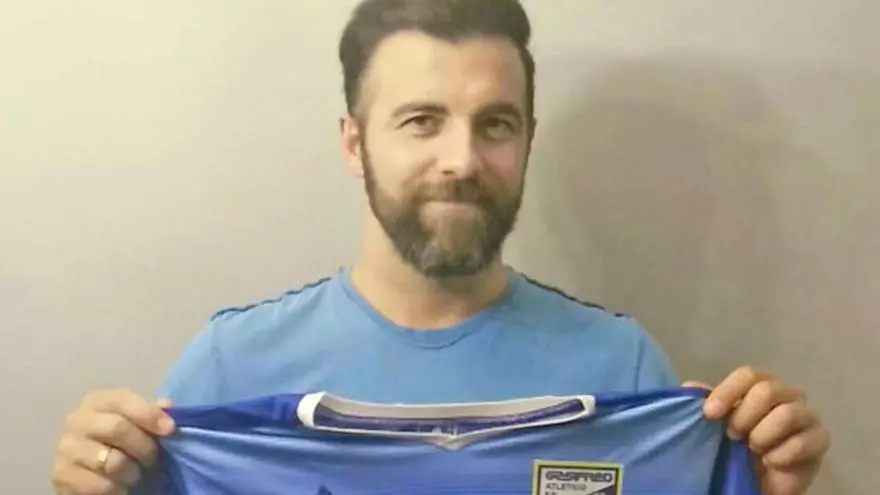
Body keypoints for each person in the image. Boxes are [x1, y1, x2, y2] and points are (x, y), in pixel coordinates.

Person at [51, 0, 830, 494]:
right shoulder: (226, 371)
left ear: (526, 141)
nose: (461, 159)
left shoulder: (624, 371)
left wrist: (761, 486)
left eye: (495, 123)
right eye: (421, 121)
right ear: (354, 144)